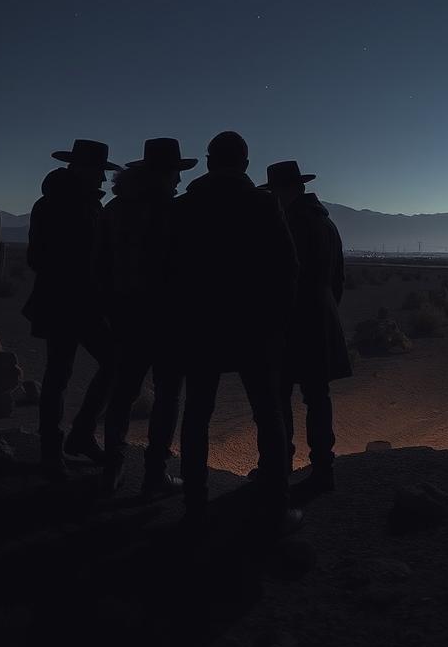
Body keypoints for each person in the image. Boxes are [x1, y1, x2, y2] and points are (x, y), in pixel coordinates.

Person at [172, 131, 303, 533]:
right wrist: (277, 322)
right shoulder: (263, 205)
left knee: (196, 414)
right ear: (245, 165)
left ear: (209, 162)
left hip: (200, 327)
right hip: (256, 329)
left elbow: (170, 270)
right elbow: (288, 268)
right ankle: (276, 508)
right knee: (269, 414)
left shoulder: (185, 206)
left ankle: (194, 506)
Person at [96, 138, 196, 496]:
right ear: (165, 173)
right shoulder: (178, 212)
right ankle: (155, 474)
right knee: (168, 396)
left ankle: (113, 468)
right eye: (176, 174)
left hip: (126, 315)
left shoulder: (116, 209)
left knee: (122, 393)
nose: (179, 181)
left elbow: (101, 264)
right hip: (170, 319)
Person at [23, 138, 121, 480]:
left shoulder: (78, 204)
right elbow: (39, 256)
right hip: (68, 302)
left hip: (74, 302)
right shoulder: (57, 205)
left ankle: (71, 440)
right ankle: (61, 446)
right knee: (65, 374)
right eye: (98, 171)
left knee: (66, 373)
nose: (101, 179)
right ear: (80, 168)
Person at [259, 160, 351, 499]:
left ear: (281, 191)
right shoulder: (327, 224)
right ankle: (322, 468)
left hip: (290, 324)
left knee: (279, 397)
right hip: (321, 319)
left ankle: (280, 466)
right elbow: (338, 279)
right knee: (317, 397)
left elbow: (276, 277)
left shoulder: (286, 222)